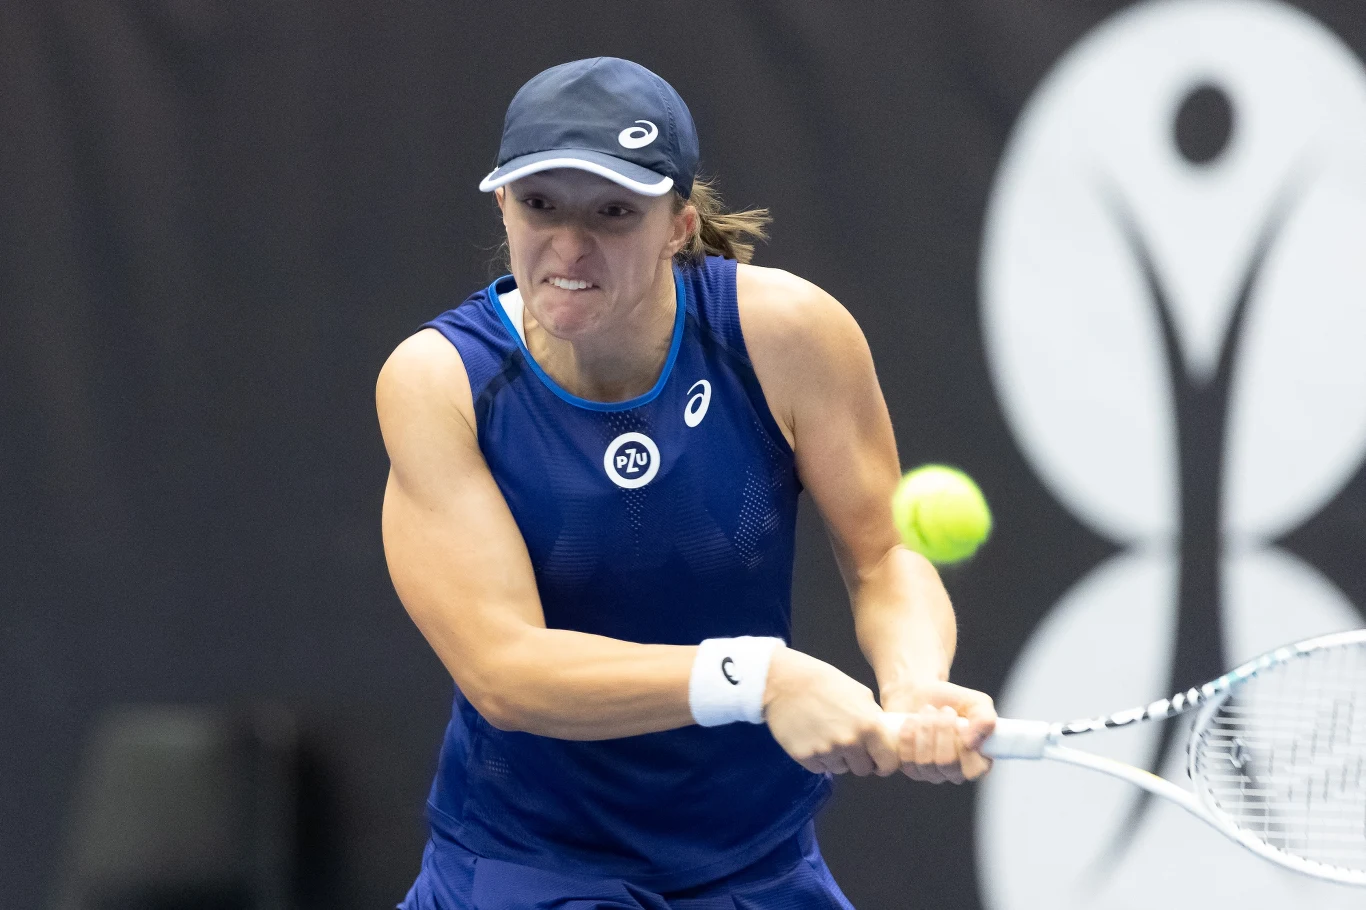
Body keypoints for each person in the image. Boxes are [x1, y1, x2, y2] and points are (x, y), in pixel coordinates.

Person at [377, 57, 996, 909]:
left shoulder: (785, 333)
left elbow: (885, 550)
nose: (568, 246)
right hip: (532, 868)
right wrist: (762, 680)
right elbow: (504, 669)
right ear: (502, 205)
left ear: (678, 224)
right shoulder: (441, 380)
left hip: (758, 861)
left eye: (614, 212)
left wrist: (916, 680)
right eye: (541, 204)